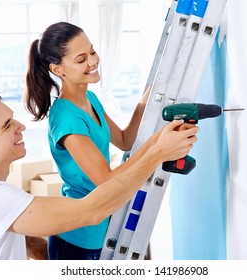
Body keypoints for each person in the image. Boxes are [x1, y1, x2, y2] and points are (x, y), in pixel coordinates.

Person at [0, 90, 198, 260]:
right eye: (8, 126)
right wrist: (158, 154)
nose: (21, 127)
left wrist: (156, 144)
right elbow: (92, 212)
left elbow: (28, 243)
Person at [25, 22, 193, 260]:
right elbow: (105, 180)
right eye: (81, 59)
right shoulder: (66, 118)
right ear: (58, 69)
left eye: (92, 51)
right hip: (80, 237)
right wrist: (159, 145)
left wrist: (145, 103)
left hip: (104, 226)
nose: (93, 61)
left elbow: (124, 141)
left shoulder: (90, 98)